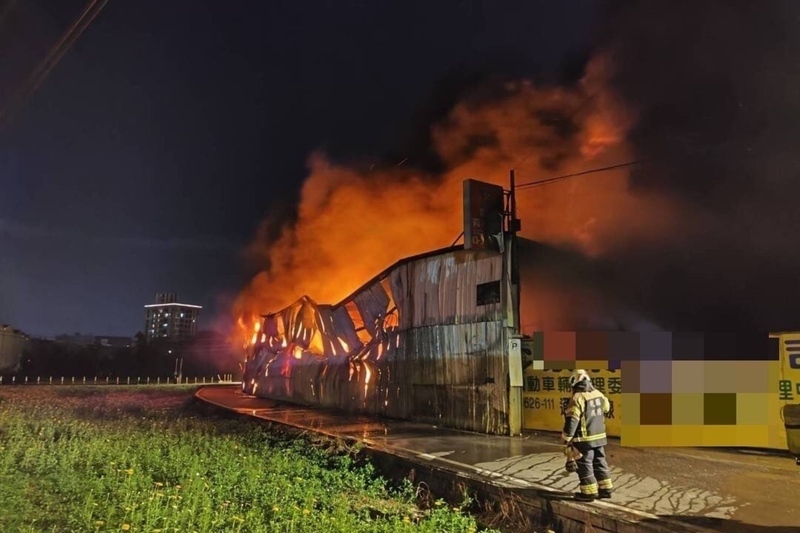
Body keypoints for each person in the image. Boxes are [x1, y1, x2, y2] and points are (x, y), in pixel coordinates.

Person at [562, 369, 614, 501]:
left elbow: (572, 420)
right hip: (600, 437)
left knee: (584, 464)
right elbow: (606, 408)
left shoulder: (577, 398)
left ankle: (589, 492)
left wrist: (567, 438)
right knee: (600, 462)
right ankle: (606, 489)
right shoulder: (599, 394)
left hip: (584, 439)